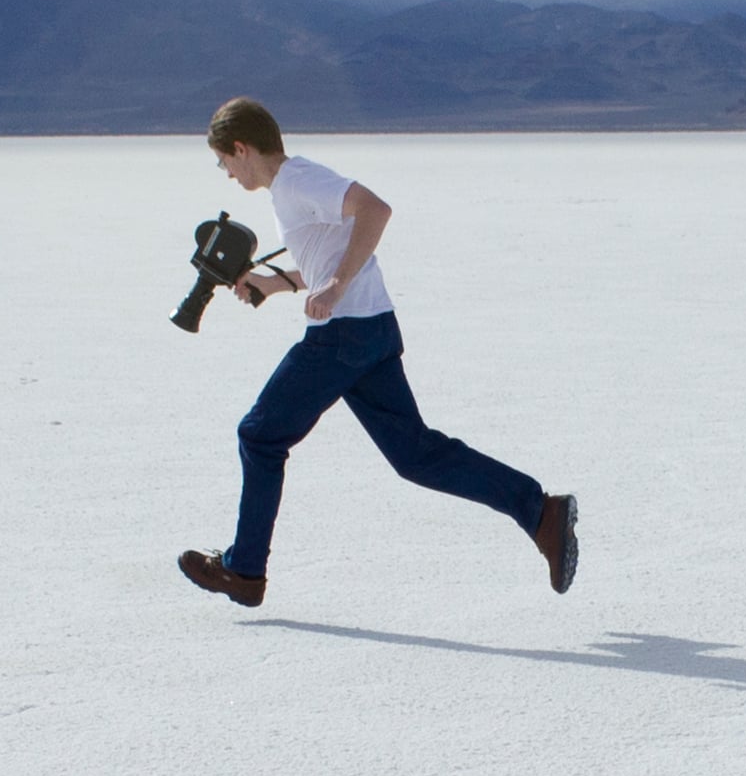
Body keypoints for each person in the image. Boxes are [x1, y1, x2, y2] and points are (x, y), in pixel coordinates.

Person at [177, 96, 577, 607]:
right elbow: (331, 252)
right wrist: (277, 284)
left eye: (224, 162)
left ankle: (244, 570)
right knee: (415, 455)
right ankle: (540, 512)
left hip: (341, 337)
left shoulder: (298, 181)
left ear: (241, 148)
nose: (227, 174)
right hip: (372, 329)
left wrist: (336, 286)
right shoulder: (292, 187)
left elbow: (374, 209)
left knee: (259, 436)